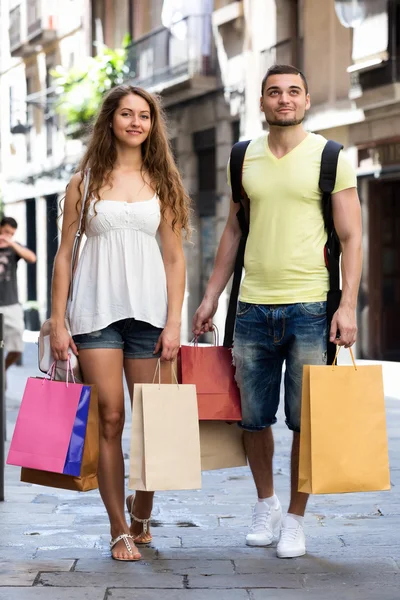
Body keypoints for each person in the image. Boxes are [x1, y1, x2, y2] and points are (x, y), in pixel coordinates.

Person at [193, 64, 362, 559]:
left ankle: (295, 517)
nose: (283, 99)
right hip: (251, 309)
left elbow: (352, 238)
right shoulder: (242, 157)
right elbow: (233, 231)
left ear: (306, 100)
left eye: (293, 91)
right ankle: (265, 504)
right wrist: (211, 297)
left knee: (306, 421)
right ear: (262, 102)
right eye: (274, 92)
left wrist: (347, 306)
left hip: (312, 307)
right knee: (252, 419)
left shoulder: (331, 157)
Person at [50, 85, 189, 561]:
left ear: (152, 125)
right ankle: (118, 527)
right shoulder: (84, 182)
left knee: (155, 426)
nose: (135, 122)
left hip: (151, 318)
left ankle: (142, 511)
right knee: (110, 418)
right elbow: (64, 257)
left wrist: (174, 323)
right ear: (110, 120)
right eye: (126, 114)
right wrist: (57, 321)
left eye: (144, 116)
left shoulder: (162, 180)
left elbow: (174, 259)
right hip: (95, 316)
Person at [0, 216, 37, 371]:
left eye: (12, 233)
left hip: (11, 304)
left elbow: (31, 258)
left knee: (16, 348)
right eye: (6, 231)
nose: (8, 235)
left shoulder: (13, 247)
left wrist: (10, 243)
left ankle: (2, 371)